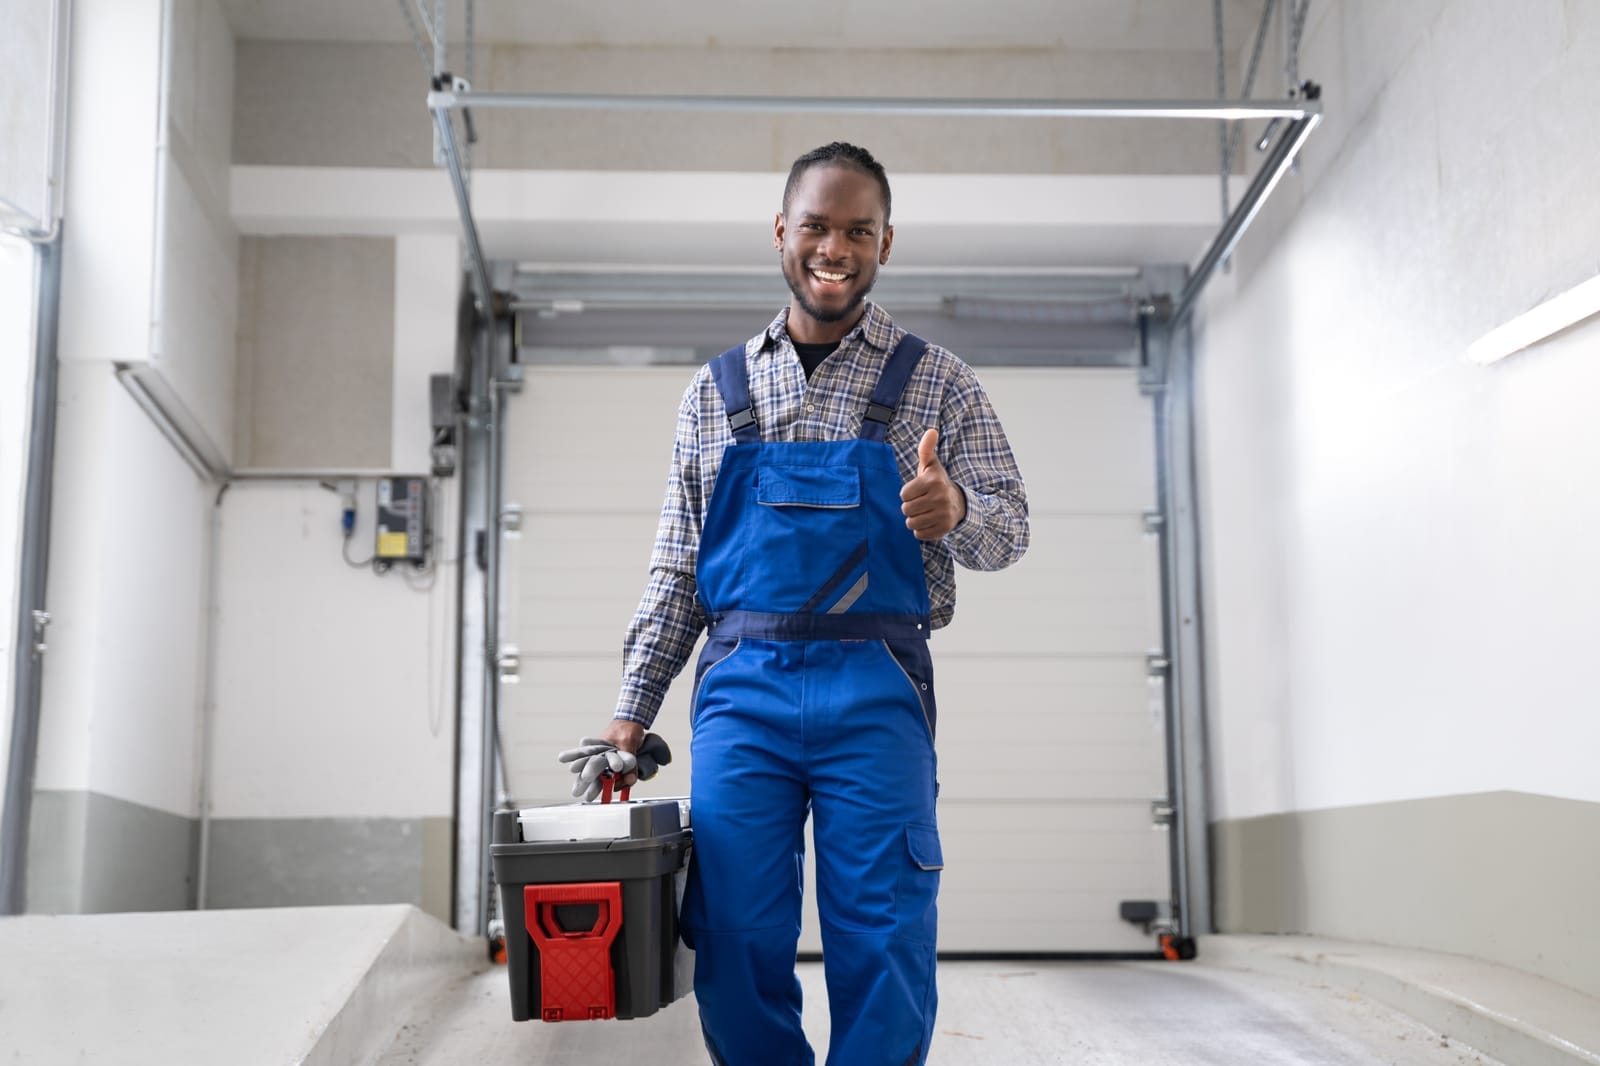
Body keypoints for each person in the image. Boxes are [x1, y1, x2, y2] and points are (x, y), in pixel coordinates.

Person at [590, 142, 1028, 1066]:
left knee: (884, 931)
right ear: (782, 232)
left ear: (886, 242)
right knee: (737, 935)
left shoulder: (937, 381)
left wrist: (956, 512)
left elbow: (1010, 531)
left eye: (858, 231)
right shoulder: (713, 395)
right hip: (742, 694)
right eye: (818, 226)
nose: (836, 247)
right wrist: (629, 720)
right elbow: (677, 572)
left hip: (877, 694)